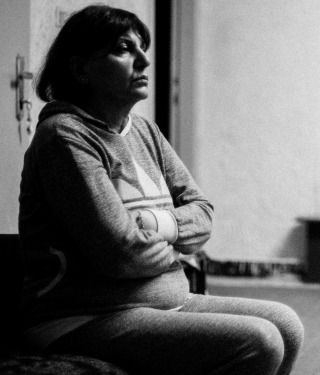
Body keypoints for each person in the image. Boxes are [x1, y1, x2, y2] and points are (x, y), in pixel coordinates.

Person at [19, 5, 303, 375]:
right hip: (80, 316)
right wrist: (173, 245)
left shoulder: (145, 132)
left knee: (286, 325)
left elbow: (203, 213)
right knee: (258, 340)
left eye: (143, 48)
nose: (143, 61)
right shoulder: (64, 137)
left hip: (159, 301)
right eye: (124, 49)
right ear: (79, 69)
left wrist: (153, 225)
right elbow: (119, 253)